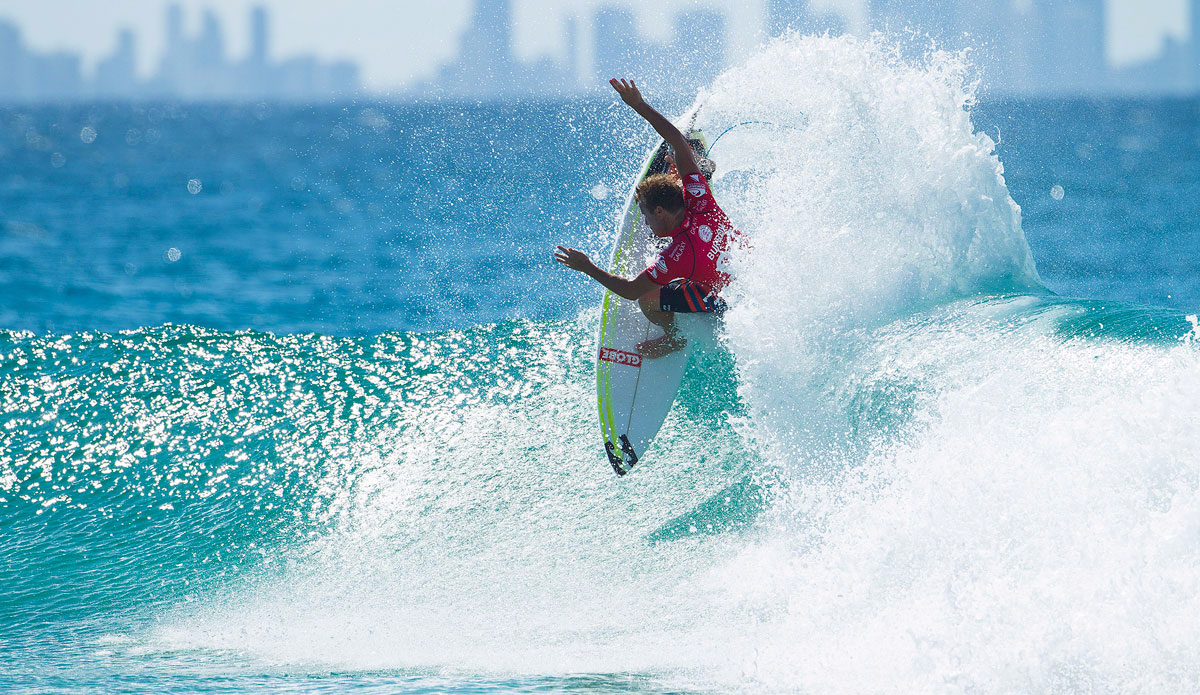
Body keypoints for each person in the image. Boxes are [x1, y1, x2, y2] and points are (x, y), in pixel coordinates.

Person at [555, 78, 744, 358]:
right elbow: (677, 139)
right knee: (683, 160)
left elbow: (632, 291)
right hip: (747, 272)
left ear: (659, 211)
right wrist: (639, 105)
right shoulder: (700, 198)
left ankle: (673, 339)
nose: (644, 224)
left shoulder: (676, 257)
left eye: (645, 216)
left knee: (649, 299)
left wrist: (587, 267)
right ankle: (696, 165)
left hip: (726, 299)